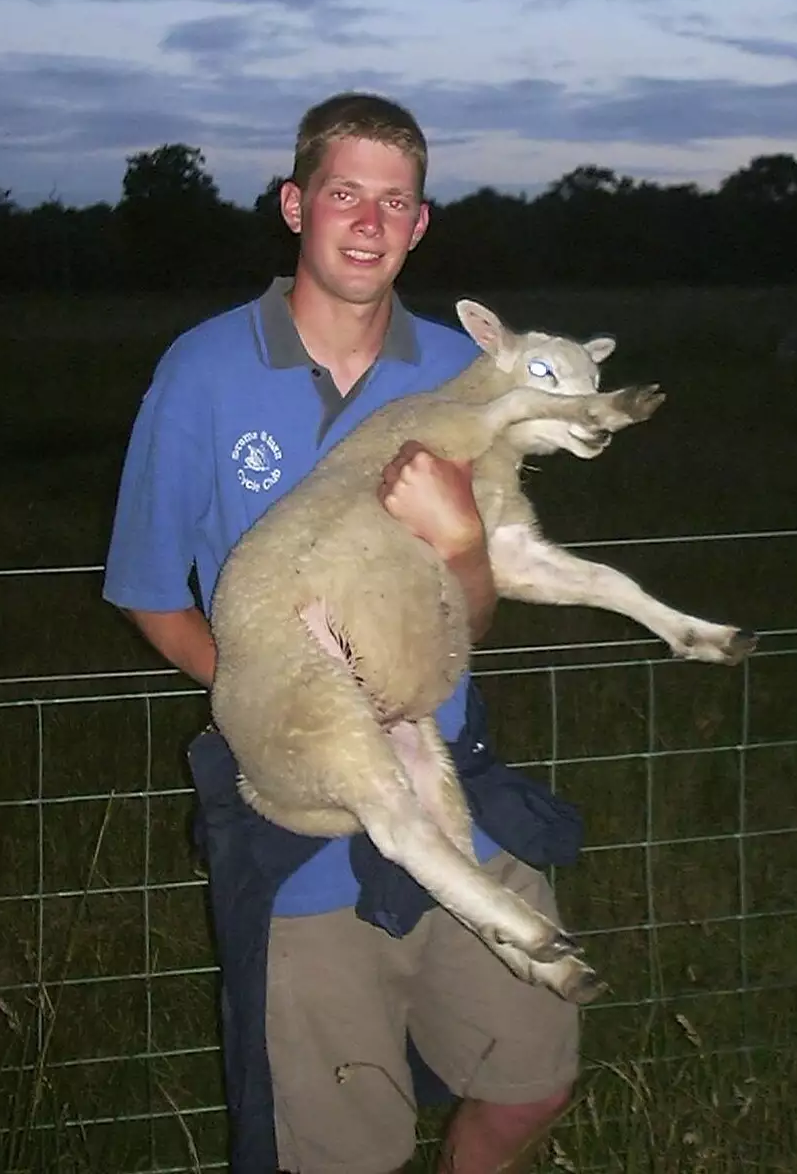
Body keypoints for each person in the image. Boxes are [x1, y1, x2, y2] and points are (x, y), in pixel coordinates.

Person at [103, 92, 581, 1174]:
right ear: (295, 205)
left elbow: (483, 610)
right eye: (344, 193)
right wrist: (272, 702)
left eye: (394, 201)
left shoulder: (460, 377)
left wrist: (461, 544)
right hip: (303, 823)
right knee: (338, 1151)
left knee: (531, 1078)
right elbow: (145, 588)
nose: (368, 220)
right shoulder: (204, 372)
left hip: (455, 780)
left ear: (420, 227)